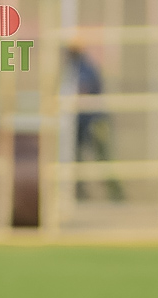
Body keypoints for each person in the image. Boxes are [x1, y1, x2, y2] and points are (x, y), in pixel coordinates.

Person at [65, 45, 124, 201]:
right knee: (77, 158)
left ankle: (116, 195)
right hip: (84, 122)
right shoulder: (78, 67)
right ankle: (80, 194)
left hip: (94, 122)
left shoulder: (83, 68)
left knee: (103, 158)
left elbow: (82, 90)